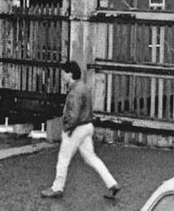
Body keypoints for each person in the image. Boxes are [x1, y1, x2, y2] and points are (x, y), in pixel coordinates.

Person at [40, 60, 121, 200]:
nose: (63, 76)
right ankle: (112, 183)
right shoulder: (84, 87)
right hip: (87, 126)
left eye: (64, 73)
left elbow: (74, 113)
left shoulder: (74, 91)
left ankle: (56, 188)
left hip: (76, 128)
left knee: (63, 158)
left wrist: (67, 128)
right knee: (91, 158)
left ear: (70, 73)